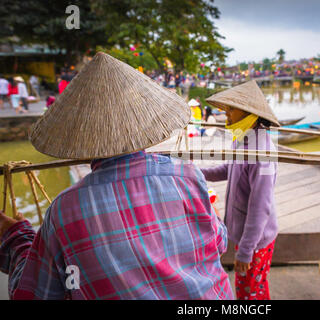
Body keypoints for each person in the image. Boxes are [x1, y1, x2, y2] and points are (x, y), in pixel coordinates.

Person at [0, 52, 233, 300]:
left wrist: (17, 239)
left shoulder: (65, 210)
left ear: (80, 135)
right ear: (144, 123)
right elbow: (220, 243)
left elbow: (34, 294)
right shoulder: (187, 176)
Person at [201, 80, 280, 300]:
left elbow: (260, 207)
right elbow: (230, 168)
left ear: (249, 113)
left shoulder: (263, 155)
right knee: (252, 286)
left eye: (231, 109)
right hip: (245, 233)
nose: (226, 114)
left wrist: (246, 251)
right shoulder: (244, 138)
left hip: (255, 239)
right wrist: (200, 173)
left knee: (249, 291)